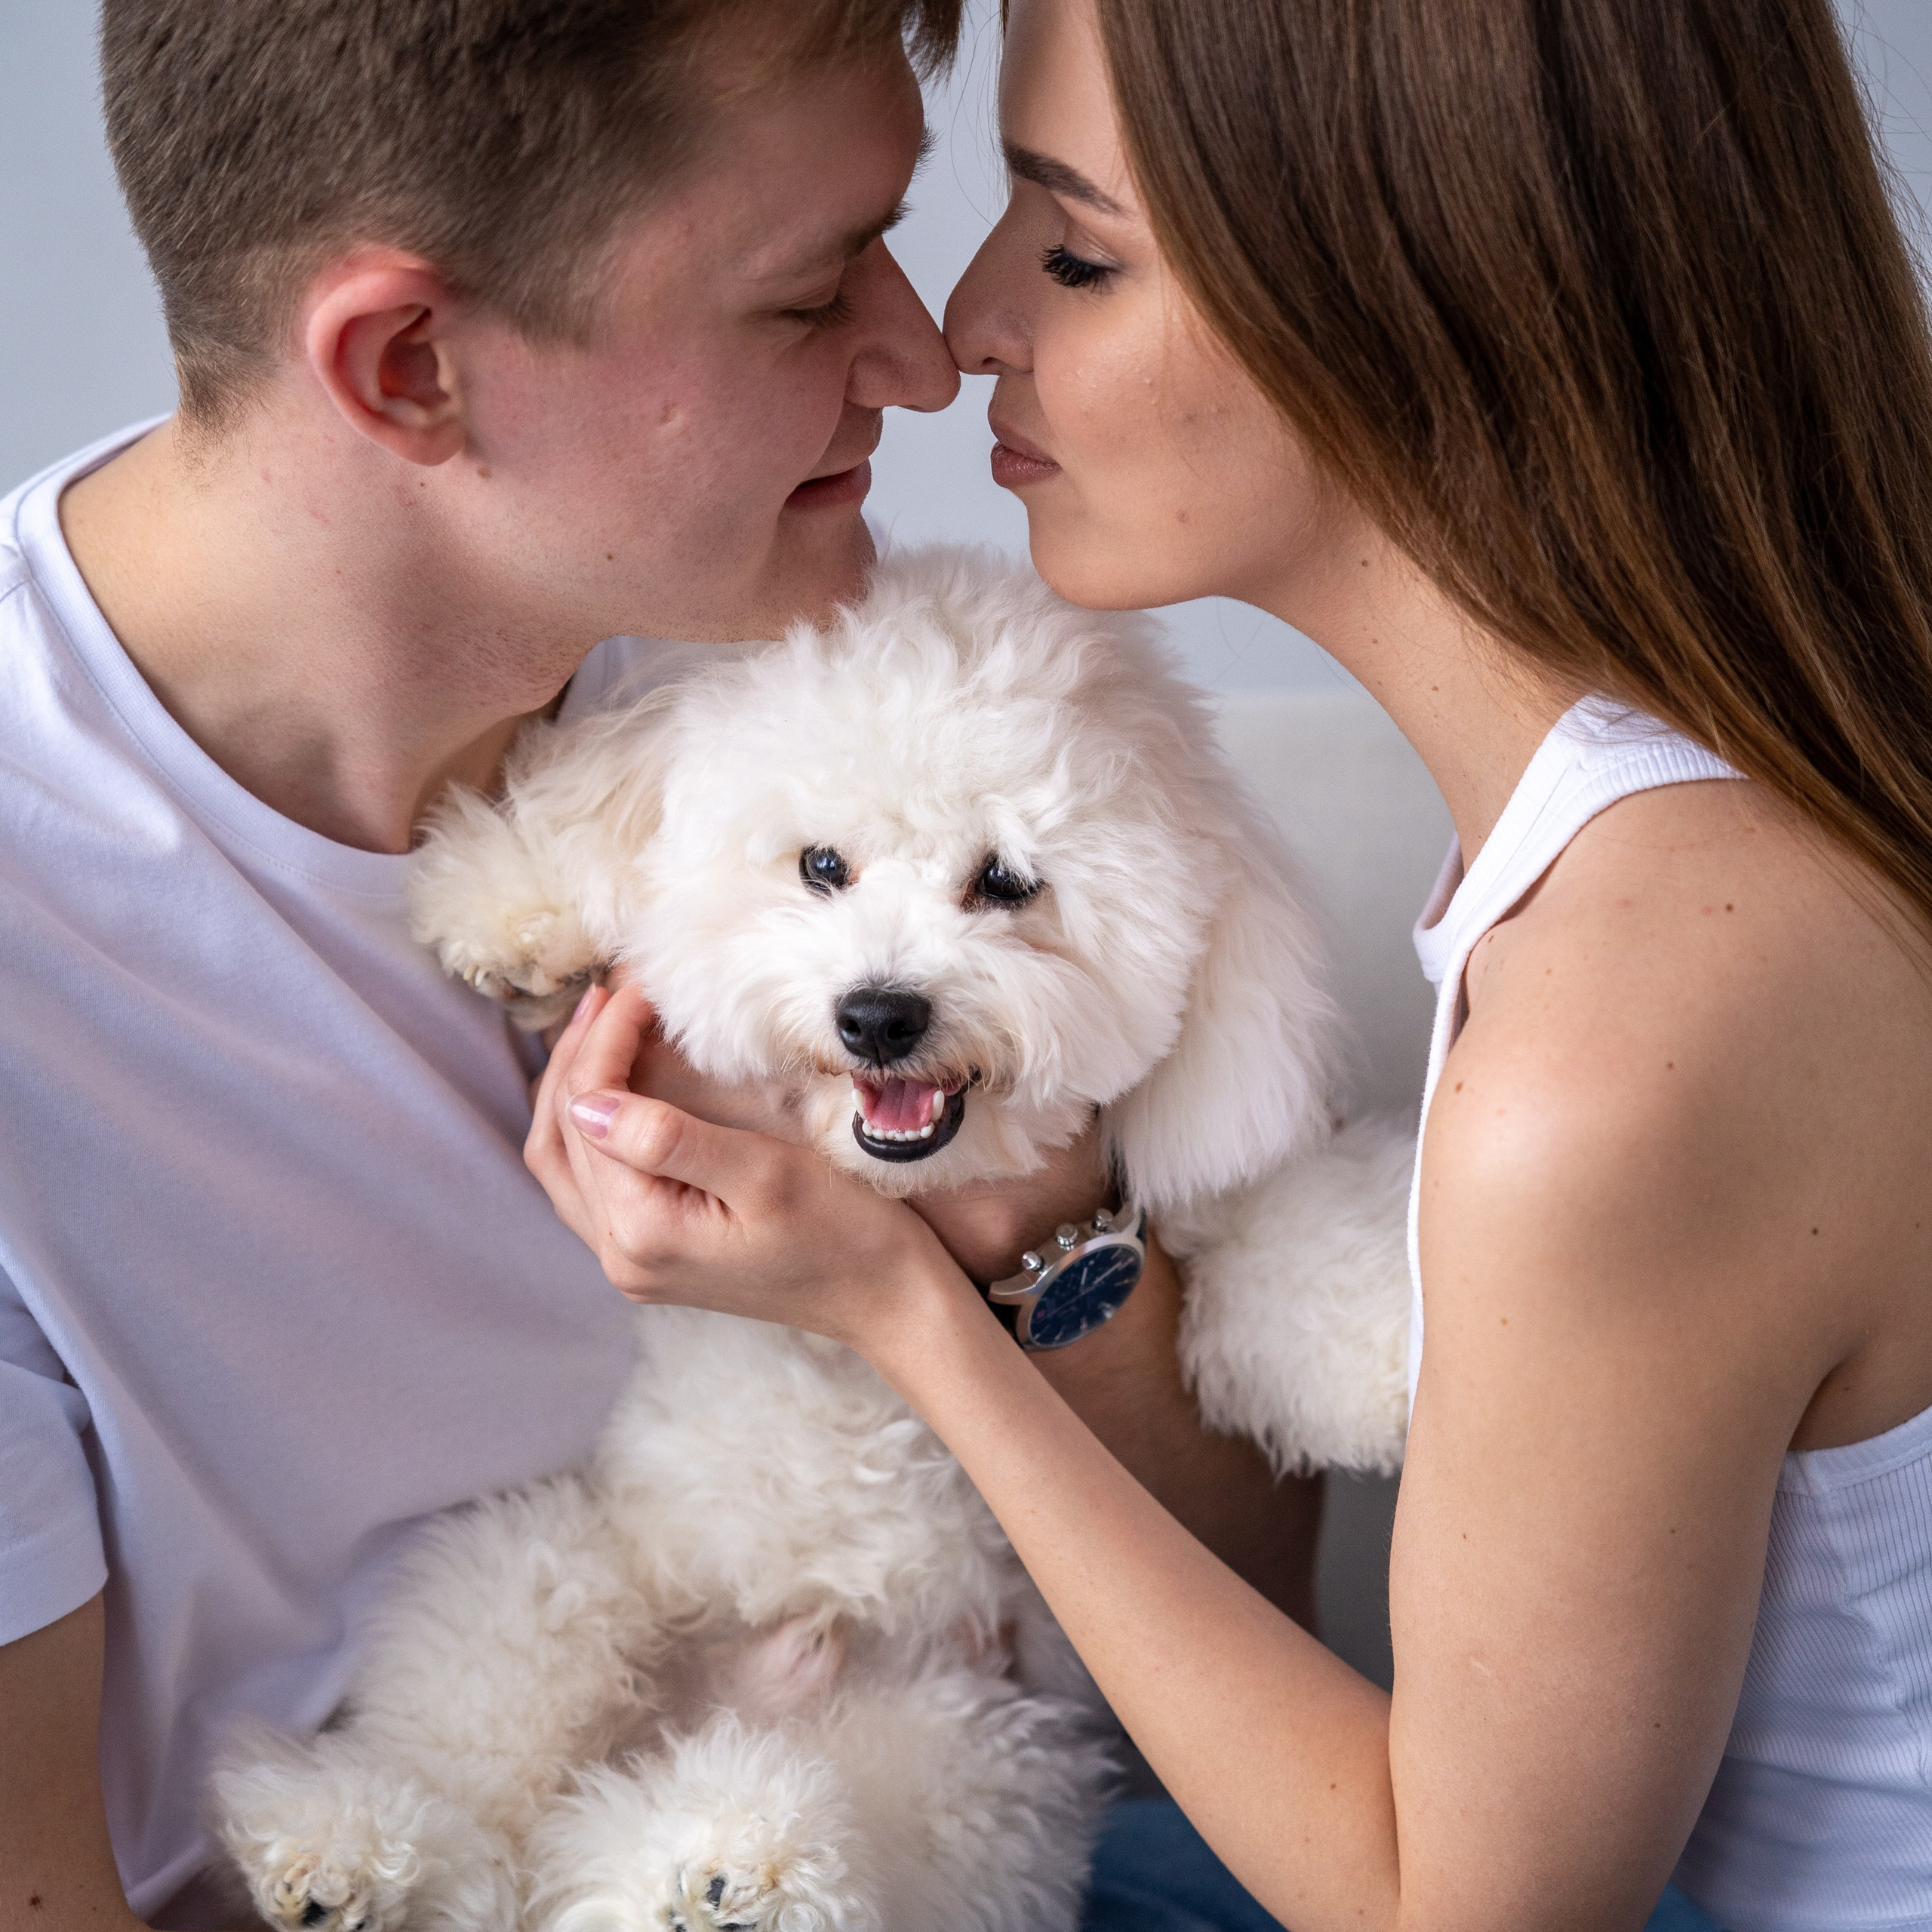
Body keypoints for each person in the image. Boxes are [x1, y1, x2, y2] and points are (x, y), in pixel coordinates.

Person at [530, 0, 1932, 1927]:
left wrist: (898, 1308)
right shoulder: (1673, 820)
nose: (963, 326)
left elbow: (1457, 1908)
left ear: (1414, 305)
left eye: (1075, 252)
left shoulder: (1629, 1030)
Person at [0, 5, 1324, 1930]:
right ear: (410, 365)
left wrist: (1008, 1230)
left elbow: (1255, 1607)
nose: (926, 355)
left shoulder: (808, 698)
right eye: (807, 294)